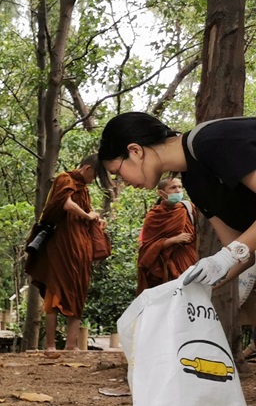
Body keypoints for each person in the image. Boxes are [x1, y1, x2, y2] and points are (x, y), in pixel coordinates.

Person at [99, 111, 255, 288]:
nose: (124, 182)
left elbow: (234, 253)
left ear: (135, 151)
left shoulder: (210, 142)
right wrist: (183, 290)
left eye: (117, 173)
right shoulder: (195, 183)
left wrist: (229, 255)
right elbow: (242, 255)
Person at [24, 155, 105, 350]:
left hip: (81, 247)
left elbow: (88, 211)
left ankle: (71, 345)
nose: (94, 180)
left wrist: (96, 219)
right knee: (55, 291)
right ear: (86, 168)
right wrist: (87, 215)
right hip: (61, 245)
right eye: (94, 174)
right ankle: (50, 345)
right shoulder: (65, 179)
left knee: (78, 291)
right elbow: (66, 204)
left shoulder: (84, 190)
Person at [136, 176, 197, 293]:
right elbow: (147, 248)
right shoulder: (154, 215)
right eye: (173, 188)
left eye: (180, 187)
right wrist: (172, 240)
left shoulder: (188, 208)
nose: (178, 191)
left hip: (190, 259)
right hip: (167, 266)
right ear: (161, 193)